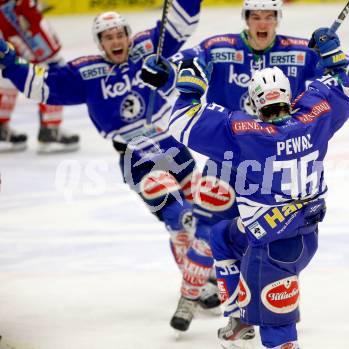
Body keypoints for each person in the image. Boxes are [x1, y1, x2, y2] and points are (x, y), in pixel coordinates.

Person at [167, 0, 349, 336]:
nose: (262, 22)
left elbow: (180, 99)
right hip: (242, 164)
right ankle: (198, 297)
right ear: (246, 19)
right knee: (213, 234)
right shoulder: (218, 47)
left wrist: (178, 83)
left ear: (277, 19)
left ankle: (260, 307)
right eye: (255, 15)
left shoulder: (297, 52)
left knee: (237, 239)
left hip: (234, 144)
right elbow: (339, 80)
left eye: (268, 15)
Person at [0, 1, 221, 313]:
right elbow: (43, 85)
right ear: (100, 43)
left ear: (128, 35)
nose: (116, 41)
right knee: (177, 216)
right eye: (108, 37)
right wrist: (10, 62)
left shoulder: (148, 48)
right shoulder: (86, 72)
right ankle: (194, 282)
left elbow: (181, 25)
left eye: (120, 34)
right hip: (135, 156)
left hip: (170, 144)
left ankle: (202, 274)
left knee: (203, 214)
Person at [163, 53, 349, 348]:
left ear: (254, 102)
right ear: (289, 96)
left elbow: (179, 122)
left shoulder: (245, 134)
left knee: (279, 334)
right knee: (222, 236)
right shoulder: (315, 117)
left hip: (273, 251)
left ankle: (254, 322)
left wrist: (190, 88)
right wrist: (333, 60)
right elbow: (345, 91)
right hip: (302, 236)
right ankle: (239, 321)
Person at [0, 0, 79, 153]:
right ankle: (50, 128)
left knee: (9, 67)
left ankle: (1, 125)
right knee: (53, 69)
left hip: (12, 20)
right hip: (19, 18)